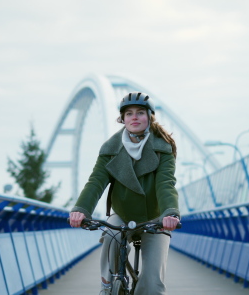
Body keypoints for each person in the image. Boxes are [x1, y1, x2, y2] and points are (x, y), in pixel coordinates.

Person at [68, 91, 180, 295]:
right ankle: (108, 285)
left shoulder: (163, 148)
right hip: (123, 213)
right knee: (111, 235)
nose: (134, 117)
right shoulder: (110, 148)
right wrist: (81, 210)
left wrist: (170, 212)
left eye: (139, 112)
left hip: (155, 217)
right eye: (128, 114)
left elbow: (166, 184)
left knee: (153, 286)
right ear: (123, 119)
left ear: (149, 117)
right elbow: (96, 182)